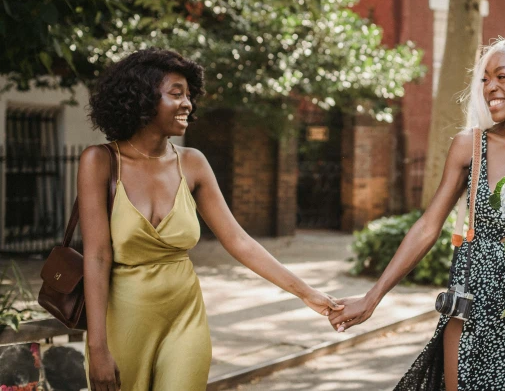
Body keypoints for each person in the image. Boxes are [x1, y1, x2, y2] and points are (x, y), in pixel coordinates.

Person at [329, 37, 505, 391]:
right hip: (470, 301)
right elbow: (427, 226)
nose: (490, 87)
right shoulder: (471, 145)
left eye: (502, 76)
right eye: (485, 79)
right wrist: (372, 298)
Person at [80, 48, 342, 391]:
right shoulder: (99, 162)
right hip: (124, 319)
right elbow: (97, 257)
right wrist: (97, 346)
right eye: (176, 94)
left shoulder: (192, 163)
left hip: (184, 317)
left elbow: (239, 240)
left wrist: (308, 295)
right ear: (142, 98)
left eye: (189, 95)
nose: (187, 103)